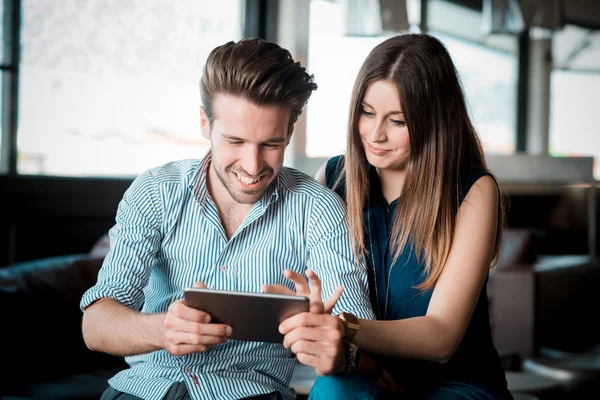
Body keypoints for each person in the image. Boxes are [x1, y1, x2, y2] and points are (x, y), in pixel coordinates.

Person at [80, 38, 375, 400]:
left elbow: (363, 343)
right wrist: (162, 331)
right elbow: (95, 325)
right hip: (143, 392)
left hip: (252, 394)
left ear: (290, 133)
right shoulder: (156, 191)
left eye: (270, 144)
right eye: (235, 141)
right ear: (205, 123)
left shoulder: (319, 211)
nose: (252, 167)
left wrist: (337, 346)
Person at [268, 33, 513, 399]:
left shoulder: (473, 192)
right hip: (363, 370)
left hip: (454, 384)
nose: (375, 134)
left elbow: (441, 338)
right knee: (334, 391)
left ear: (435, 120)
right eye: (367, 113)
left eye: (397, 121)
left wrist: (344, 328)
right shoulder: (333, 179)